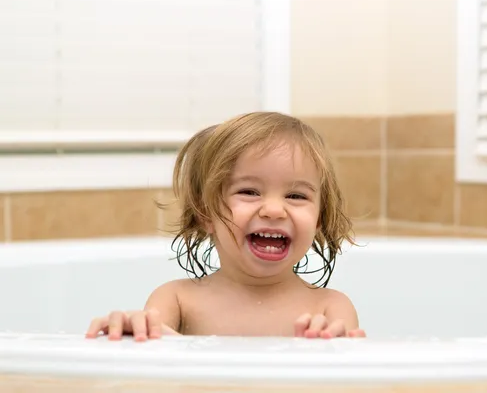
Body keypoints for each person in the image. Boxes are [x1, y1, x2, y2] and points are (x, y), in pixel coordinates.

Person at [85, 112, 366, 341]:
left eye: (296, 196)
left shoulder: (330, 308)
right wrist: (134, 331)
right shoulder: (177, 300)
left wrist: (332, 353)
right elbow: (154, 371)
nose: (273, 210)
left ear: (318, 220)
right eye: (249, 191)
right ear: (205, 212)